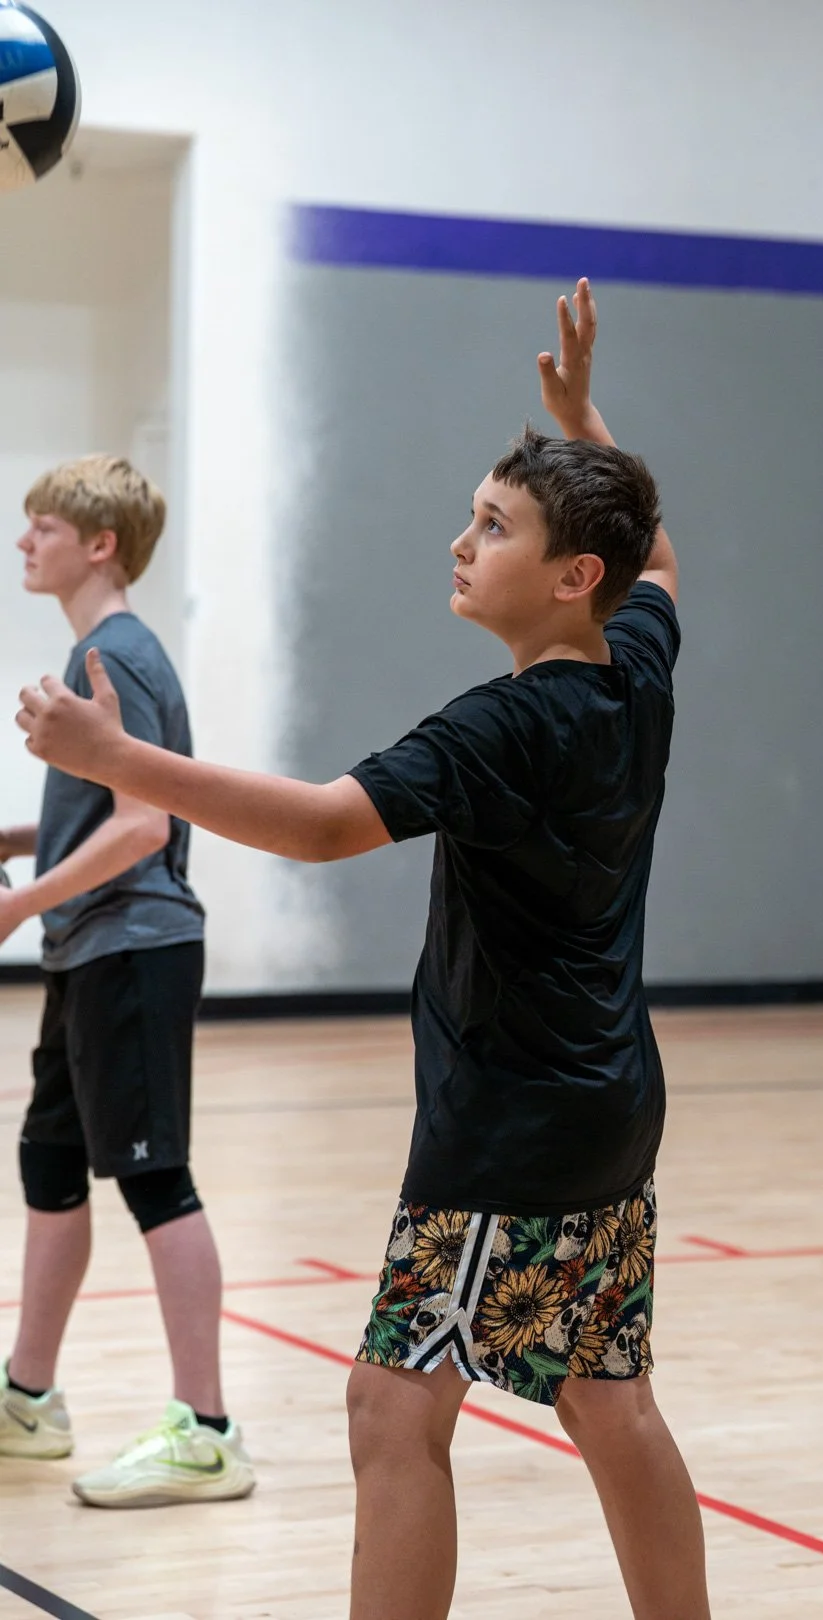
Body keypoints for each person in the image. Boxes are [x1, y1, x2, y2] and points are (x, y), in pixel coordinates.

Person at [16, 284, 710, 1618]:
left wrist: (115, 758)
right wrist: (588, 437)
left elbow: (329, 826)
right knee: (607, 1396)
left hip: (501, 1135)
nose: (460, 542)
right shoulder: (637, 668)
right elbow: (661, 566)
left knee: (392, 1412)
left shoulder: (498, 731)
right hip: (611, 1115)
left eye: (494, 526)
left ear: (571, 577)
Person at [0, 455, 254, 1508]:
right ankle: (27, 1400)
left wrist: (18, 903)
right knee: (51, 1162)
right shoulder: (99, 652)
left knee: (154, 1178)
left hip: (135, 947)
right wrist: (24, 838)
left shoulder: (118, 658)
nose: (25, 542)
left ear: (99, 545)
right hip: (87, 948)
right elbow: (114, 808)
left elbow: (147, 825)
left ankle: (206, 1428)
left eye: (44, 527)